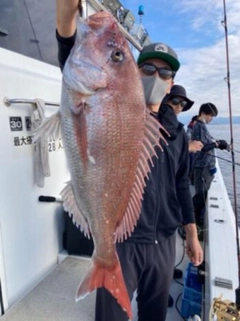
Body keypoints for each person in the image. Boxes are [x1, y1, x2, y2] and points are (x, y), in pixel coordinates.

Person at [56, 1, 203, 321]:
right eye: (148, 68)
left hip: (164, 240)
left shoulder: (176, 131)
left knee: (154, 314)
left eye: (165, 73)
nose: (156, 76)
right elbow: (71, 54)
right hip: (121, 240)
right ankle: (103, 262)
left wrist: (190, 233)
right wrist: (66, 12)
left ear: (171, 81)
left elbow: (181, 182)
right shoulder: (109, 103)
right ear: (134, 73)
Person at [191, 103, 229, 225]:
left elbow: (208, 141)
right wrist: (217, 144)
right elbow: (202, 147)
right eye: (210, 116)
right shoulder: (199, 126)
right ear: (203, 113)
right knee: (200, 196)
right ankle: (191, 222)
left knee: (203, 195)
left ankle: (195, 221)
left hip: (205, 166)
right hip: (202, 167)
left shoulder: (202, 126)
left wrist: (220, 143)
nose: (211, 119)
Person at [161, 85, 203, 153]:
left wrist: (185, 144)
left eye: (183, 103)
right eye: (175, 101)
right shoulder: (156, 123)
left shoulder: (179, 128)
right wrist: (188, 147)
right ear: (165, 101)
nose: (179, 106)